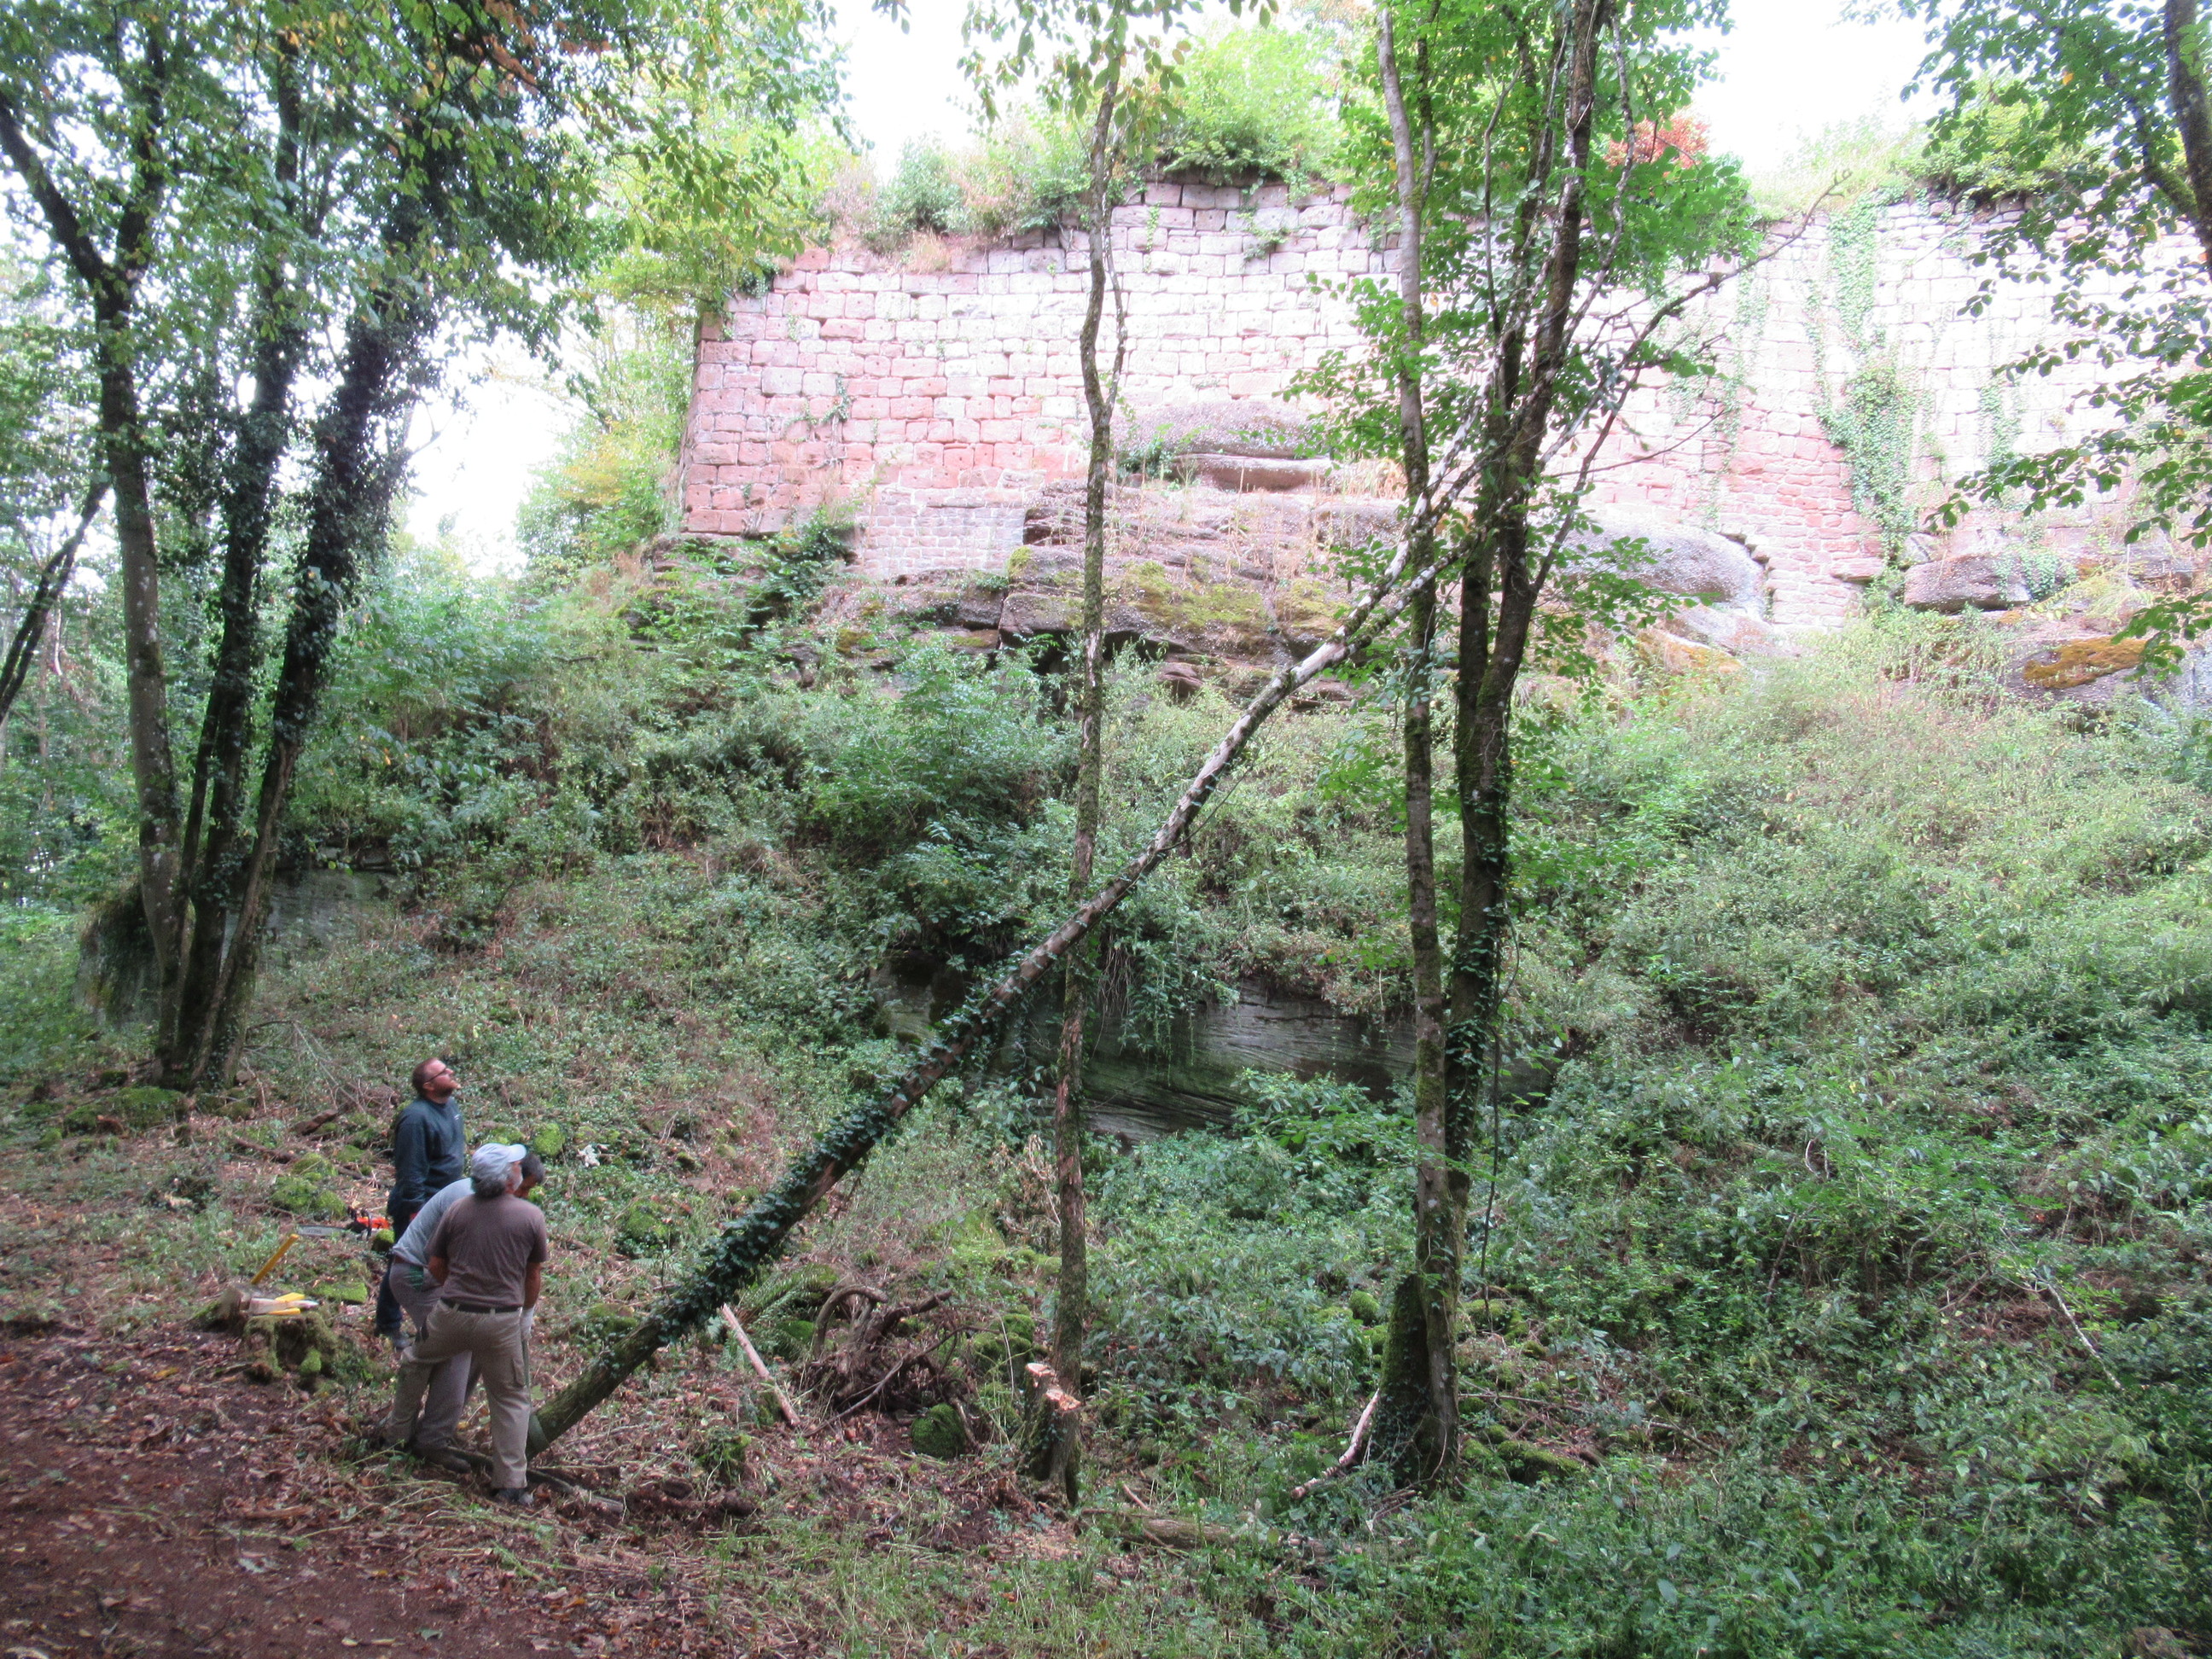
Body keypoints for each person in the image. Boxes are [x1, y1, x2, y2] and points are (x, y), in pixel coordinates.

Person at [381, 1142, 548, 1505]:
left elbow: (438, 1262)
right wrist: (525, 1314)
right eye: (516, 1170)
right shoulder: (527, 1216)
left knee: (416, 1360)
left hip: (452, 1309)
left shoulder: (460, 1208)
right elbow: (532, 1274)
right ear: (508, 1179)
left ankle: (399, 1436)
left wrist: (459, 1293)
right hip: (491, 1315)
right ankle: (505, 1481)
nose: (519, 1174)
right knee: (509, 1396)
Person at [374, 1059, 466, 1350]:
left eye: (448, 1069)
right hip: (421, 1204)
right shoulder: (415, 1118)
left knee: (439, 1262)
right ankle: (388, 1324)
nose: (450, 1072)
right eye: (443, 1072)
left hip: (446, 1200)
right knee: (406, 1262)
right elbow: (410, 1171)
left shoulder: (450, 1107)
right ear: (428, 1085)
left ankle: (433, 1317)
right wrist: (416, 1210)